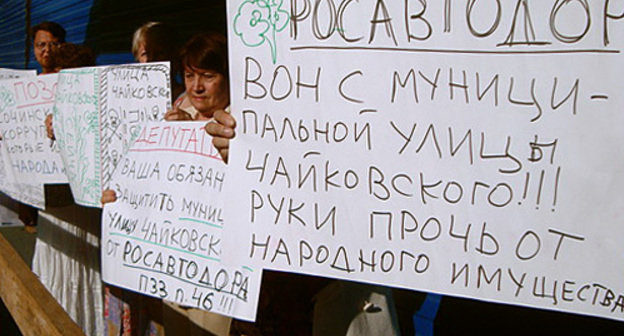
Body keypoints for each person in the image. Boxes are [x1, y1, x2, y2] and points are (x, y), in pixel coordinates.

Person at [101, 32, 233, 336]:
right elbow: (149, 189)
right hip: (174, 270)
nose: (196, 87)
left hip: (217, 276)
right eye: (189, 75)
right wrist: (119, 200)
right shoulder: (172, 114)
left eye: (208, 76)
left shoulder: (241, 124)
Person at [131, 21, 184, 101]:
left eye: (159, 53)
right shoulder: (129, 100)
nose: (151, 59)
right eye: (145, 54)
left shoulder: (193, 98)